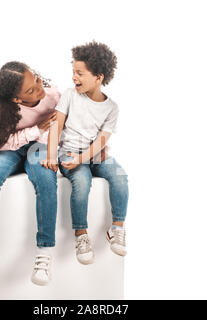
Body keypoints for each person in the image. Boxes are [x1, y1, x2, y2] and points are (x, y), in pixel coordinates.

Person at [0, 61, 60, 285]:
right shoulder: (6, 111)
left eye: (37, 80)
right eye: (31, 90)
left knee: (46, 178)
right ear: (17, 99)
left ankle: (44, 251)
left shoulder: (54, 96)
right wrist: (36, 130)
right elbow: (1, 144)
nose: (39, 88)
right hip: (10, 149)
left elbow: (59, 130)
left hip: (39, 147)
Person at [42, 41, 129, 265]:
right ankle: (81, 235)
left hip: (95, 154)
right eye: (73, 72)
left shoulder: (112, 108)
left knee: (120, 176)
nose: (74, 77)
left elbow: (101, 140)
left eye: (80, 73)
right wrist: (52, 155)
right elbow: (57, 126)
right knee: (82, 181)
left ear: (99, 77)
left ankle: (116, 229)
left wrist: (85, 158)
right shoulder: (70, 95)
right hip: (70, 153)